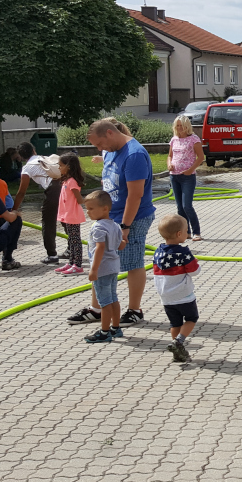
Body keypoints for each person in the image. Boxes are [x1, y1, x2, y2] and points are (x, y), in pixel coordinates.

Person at [66, 119, 155, 327]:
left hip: (133, 217)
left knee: (133, 261)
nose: (99, 149)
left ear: (109, 133)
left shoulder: (134, 155)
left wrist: (125, 227)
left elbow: (135, 196)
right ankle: (97, 308)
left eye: (99, 144)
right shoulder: (110, 151)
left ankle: (135, 310)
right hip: (109, 217)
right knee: (101, 260)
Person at [152, 214, 202, 363]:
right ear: (179, 234)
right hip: (183, 295)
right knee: (192, 318)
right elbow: (194, 271)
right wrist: (195, 263)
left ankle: (177, 352)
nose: (188, 233)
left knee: (175, 323)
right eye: (187, 230)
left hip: (166, 297)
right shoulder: (183, 252)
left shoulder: (158, 251)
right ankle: (178, 341)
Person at [82, 190, 124, 343]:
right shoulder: (114, 225)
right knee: (113, 298)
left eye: (91, 209)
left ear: (105, 208)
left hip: (102, 268)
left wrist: (94, 269)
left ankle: (105, 332)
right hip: (113, 266)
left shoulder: (98, 227)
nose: (88, 212)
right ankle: (116, 327)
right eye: (87, 209)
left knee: (104, 302)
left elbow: (99, 248)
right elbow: (121, 245)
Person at [13, 141, 62, 264]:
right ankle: (72, 250)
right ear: (34, 150)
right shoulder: (44, 159)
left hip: (53, 190)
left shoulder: (27, 168)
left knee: (48, 222)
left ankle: (52, 255)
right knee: (66, 219)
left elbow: (21, 192)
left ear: (21, 157)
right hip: (65, 186)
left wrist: (14, 209)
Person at [168, 115, 205, 241]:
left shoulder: (194, 139)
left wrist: (190, 170)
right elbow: (169, 156)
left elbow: (200, 157)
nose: (179, 128)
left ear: (187, 126)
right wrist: (169, 164)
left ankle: (197, 231)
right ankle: (186, 232)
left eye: (182, 126)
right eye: (177, 126)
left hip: (187, 177)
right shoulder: (174, 140)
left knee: (187, 206)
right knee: (179, 207)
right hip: (175, 176)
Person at [55, 153, 87, 275]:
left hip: (72, 215)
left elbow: (79, 200)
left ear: (68, 166)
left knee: (75, 241)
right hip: (67, 215)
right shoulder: (66, 181)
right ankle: (71, 262)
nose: (59, 168)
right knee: (71, 240)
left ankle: (77, 265)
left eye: (61, 165)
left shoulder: (72, 182)